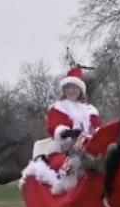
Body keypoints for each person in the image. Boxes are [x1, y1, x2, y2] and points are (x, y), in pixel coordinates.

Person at [21, 66, 101, 194]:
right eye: (68, 87)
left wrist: (95, 135)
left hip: (87, 147)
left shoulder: (90, 110)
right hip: (63, 149)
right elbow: (55, 127)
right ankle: (66, 191)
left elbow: (96, 128)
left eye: (74, 87)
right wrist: (67, 132)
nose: (71, 90)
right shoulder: (58, 108)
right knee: (66, 165)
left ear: (80, 90)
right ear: (64, 90)